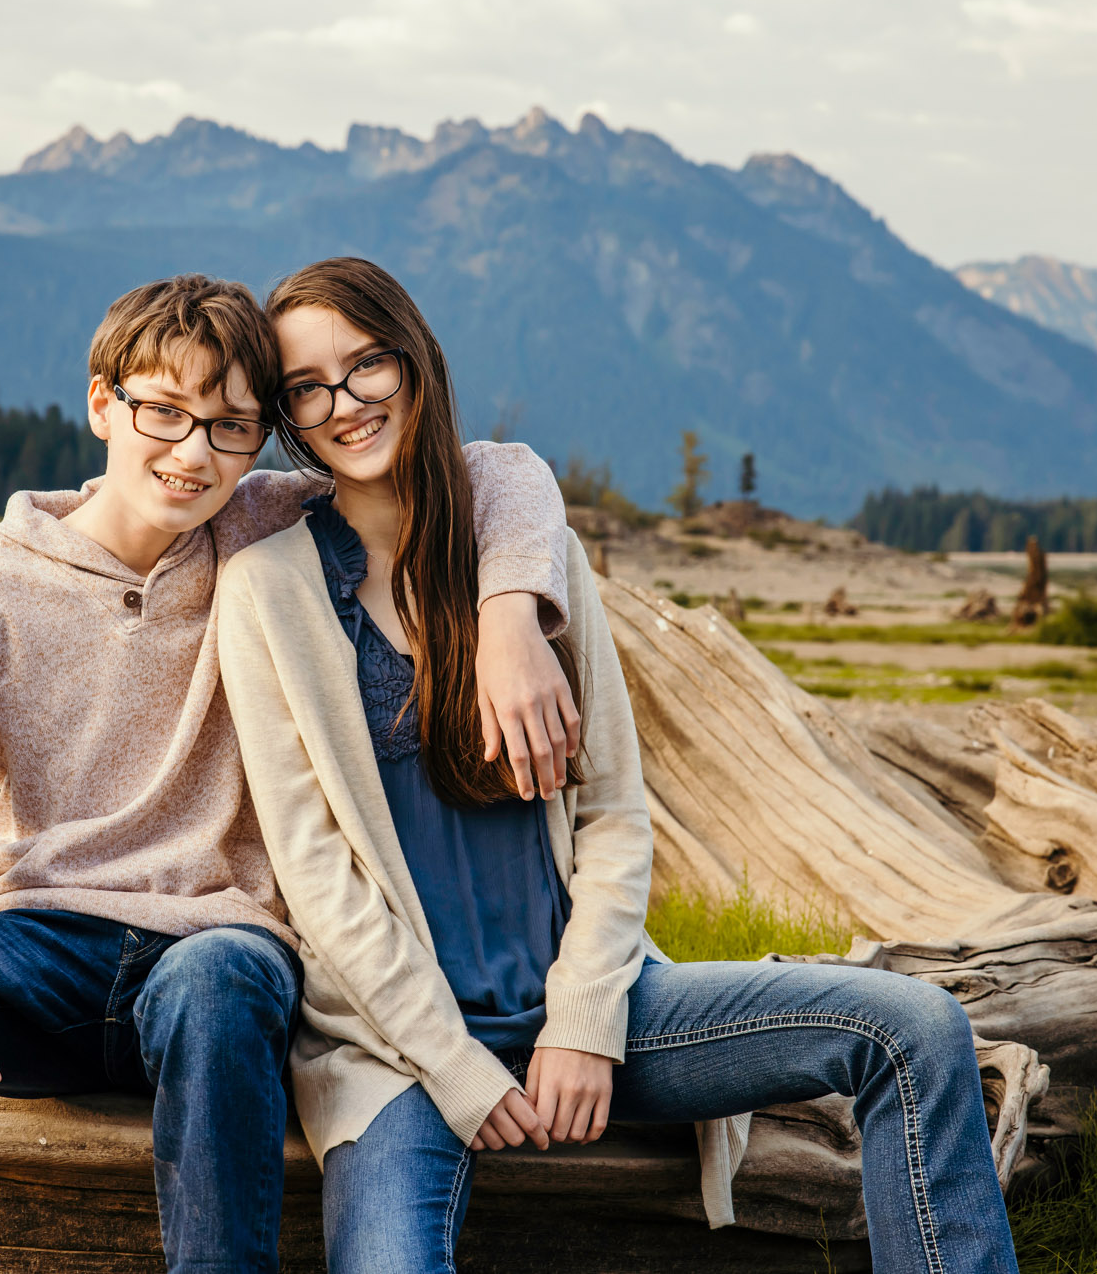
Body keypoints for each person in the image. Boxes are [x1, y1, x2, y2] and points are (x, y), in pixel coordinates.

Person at [0, 273, 580, 1273]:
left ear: (257, 442)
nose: (194, 452)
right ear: (101, 404)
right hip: (31, 952)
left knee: (219, 978)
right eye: (164, 412)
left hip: (217, 950)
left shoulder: (259, 527)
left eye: (230, 426)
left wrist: (509, 612)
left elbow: (495, 471)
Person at [215, 257, 1020, 1273]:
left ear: (413, 362)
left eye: (366, 364)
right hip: (395, 1049)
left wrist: (584, 1022)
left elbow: (611, 814)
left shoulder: (525, 557)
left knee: (912, 1026)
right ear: (287, 412)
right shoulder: (267, 591)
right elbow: (316, 878)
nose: (345, 403)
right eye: (308, 386)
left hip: (602, 1000)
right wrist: (459, 1069)